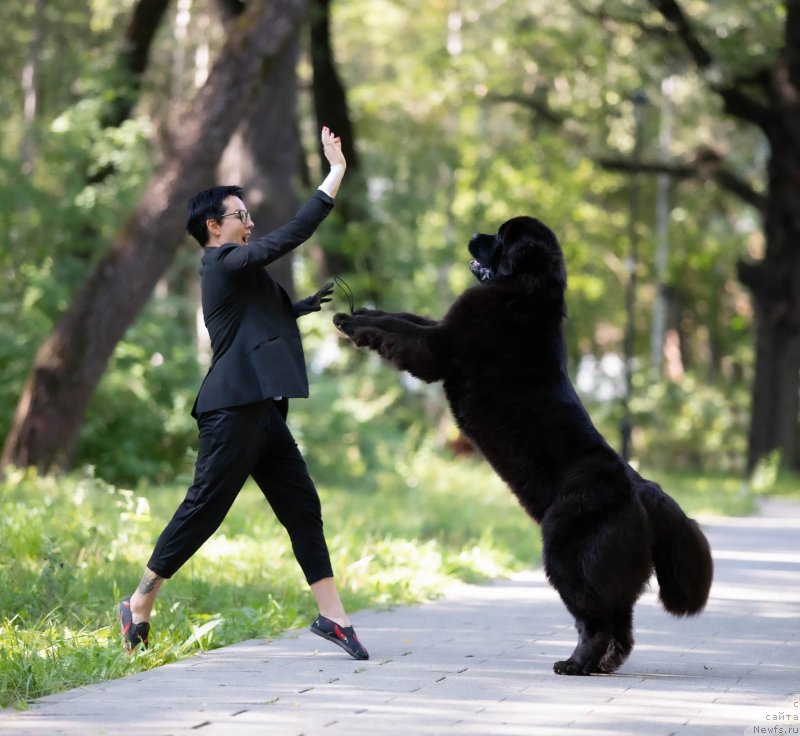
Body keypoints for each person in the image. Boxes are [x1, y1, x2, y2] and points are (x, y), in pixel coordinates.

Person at [117, 126, 368, 661]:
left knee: (302, 507)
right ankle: (139, 601)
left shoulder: (240, 274)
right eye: (241, 217)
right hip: (232, 409)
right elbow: (289, 237)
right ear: (214, 226)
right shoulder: (220, 262)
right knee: (206, 507)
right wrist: (334, 175)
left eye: (249, 216)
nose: (250, 225)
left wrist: (301, 306)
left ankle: (333, 617)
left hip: (264, 409)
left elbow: (258, 318)